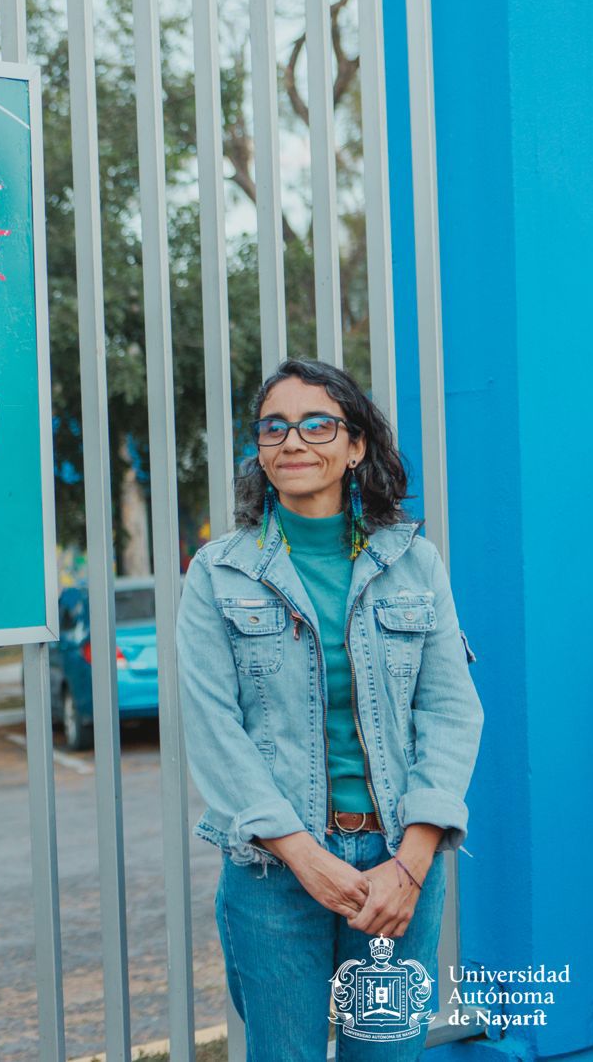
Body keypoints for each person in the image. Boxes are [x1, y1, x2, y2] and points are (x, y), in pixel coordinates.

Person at [177, 359, 483, 1059]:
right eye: (274, 427)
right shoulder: (218, 574)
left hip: (396, 863)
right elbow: (214, 729)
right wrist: (304, 857)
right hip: (274, 875)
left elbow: (449, 711)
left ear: (355, 447)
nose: (293, 441)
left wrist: (409, 864)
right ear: (259, 449)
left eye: (318, 424)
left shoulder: (414, 562)